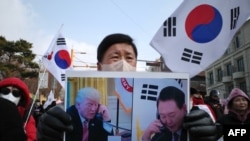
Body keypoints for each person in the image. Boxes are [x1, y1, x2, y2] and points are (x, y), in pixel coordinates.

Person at [37, 33, 217, 141]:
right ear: (99, 67)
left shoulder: (170, 128)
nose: (123, 62)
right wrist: (49, 133)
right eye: (115, 57)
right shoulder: (69, 114)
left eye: (129, 58)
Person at [0, 77, 37, 141]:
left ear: (21, 98)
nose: (10, 95)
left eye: (16, 93)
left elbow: (32, 137)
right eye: (5, 91)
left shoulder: (26, 117)